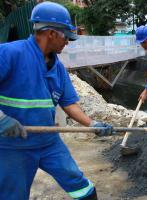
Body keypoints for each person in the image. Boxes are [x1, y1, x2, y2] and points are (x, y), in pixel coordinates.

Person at [0, 2, 113, 200]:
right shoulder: (9, 54)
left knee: (81, 186)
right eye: (66, 37)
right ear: (51, 33)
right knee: (13, 195)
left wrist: (91, 124)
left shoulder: (58, 68)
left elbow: (68, 103)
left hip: (48, 141)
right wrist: (1, 118)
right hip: (13, 146)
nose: (68, 42)